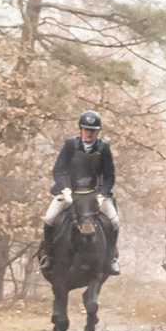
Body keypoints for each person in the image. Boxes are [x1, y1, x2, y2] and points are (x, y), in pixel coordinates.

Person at [40, 110, 120, 276]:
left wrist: (102, 194)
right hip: (70, 192)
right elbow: (59, 170)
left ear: (98, 132)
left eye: (93, 130)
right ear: (81, 130)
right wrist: (65, 188)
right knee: (49, 218)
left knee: (114, 221)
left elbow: (110, 175)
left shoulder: (104, 148)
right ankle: (48, 255)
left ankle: (111, 258)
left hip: (95, 194)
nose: (89, 133)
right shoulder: (70, 145)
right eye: (86, 130)